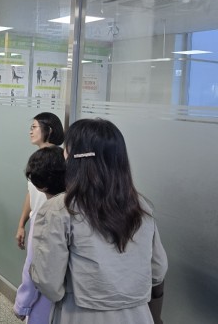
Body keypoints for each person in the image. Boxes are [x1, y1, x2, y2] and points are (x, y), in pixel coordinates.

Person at [30, 118, 168, 324]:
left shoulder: (60, 209)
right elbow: (158, 270)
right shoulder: (140, 206)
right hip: (137, 315)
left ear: (74, 157)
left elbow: (49, 283)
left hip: (80, 315)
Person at [13, 146, 65, 323]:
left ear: (40, 186)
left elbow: (34, 269)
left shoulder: (46, 215)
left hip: (45, 303)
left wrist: (21, 305)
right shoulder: (79, 207)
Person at [16, 112, 64, 248]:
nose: (30, 131)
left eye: (34, 127)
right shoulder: (38, 158)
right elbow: (31, 192)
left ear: (49, 130)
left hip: (52, 223)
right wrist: (21, 224)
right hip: (36, 220)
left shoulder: (59, 159)